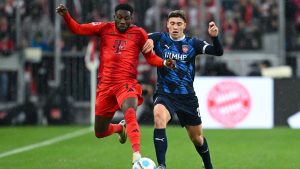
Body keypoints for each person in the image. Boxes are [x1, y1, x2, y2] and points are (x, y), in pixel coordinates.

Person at [56, 3, 175, 164]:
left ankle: (137, 155)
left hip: (126, 83)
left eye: (126, 18)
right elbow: (77, 28)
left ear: (132, 19)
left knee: (130, 109)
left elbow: (150, 58)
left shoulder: (139, 34)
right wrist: (66, 16)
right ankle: (120, 128)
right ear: (114, 17)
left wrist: (164, 63)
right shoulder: (104, 28)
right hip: (105, 86)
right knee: (100, 131)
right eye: (119, 18)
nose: (123, 22)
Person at [143, 10, 223, 169]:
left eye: (179, 24)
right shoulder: (158, 38)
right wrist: (146, 41)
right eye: (172, 23)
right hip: (165, 93)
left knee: (197, 139)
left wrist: (214, 37)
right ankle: (161, 165)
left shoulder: (193, 44)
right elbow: (137, 37)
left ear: (184, 25)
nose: (175, 27)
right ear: (167, 24)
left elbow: (218, 52)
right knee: (159, 117)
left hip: (187, 97)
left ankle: (208, 166)